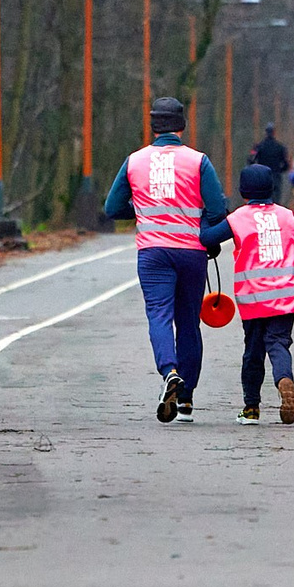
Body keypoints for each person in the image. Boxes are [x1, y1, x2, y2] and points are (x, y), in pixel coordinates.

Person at [103, 96, 229, 422]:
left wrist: (141, 211)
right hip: (191, 253)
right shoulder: (198, 162)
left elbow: (112, 208)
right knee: (188, 322)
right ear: (182, 126)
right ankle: (185, 400)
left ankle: (169, 371)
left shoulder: (134, 161)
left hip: (152, 252)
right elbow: (217, 210)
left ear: (153, 126)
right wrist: (202, 229)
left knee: (159, 315)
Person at [203, 163, 294, 424]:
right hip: (288, 293)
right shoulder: (287, 216)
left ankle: (251, 408)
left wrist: (206, 216)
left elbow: (207, 239)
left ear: (243, 191)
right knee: (278, 342)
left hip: (254, 297)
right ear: (271, 188)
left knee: (253, 350)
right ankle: (284, 380)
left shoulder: (239, 217)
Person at [250, 124, 290, 202]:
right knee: (275, 202)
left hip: (262, 178)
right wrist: (279, 170)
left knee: (262, 201)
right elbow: (286, 164)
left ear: (265, 132)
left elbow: (250, 160)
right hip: (275, 177)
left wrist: (257, 170)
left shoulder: (259, 146)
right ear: (274, 133)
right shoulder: (280, 147)